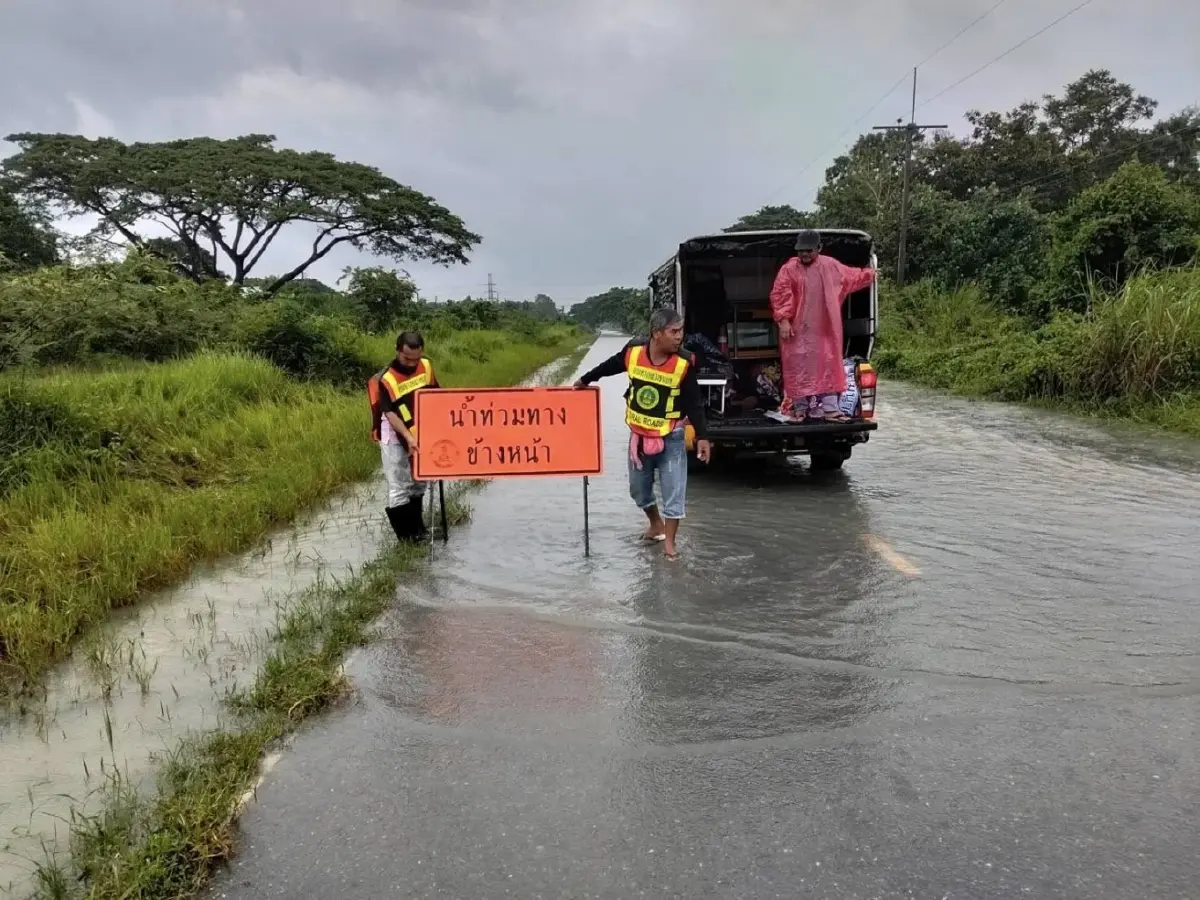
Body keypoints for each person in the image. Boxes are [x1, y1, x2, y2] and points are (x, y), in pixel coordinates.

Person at [574, 308, 711, 561]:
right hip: (639, 436)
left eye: (681, 331)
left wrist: (702, 436)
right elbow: (609, 366)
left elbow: (694, 402)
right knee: (639, 490)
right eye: (673, 331)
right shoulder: (633, 353)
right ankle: (655, 524)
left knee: (674, 492)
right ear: (656, 333)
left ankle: (670, 545)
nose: (679, 336)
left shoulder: (684, 363)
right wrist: (585, 380)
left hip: (671, 437)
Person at [769, 229, 876, 422]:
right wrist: (783, 321)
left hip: (825, 331)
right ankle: (800, 409)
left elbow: (850, 276)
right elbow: (780, 295)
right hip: (796, 331)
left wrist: (869, 274)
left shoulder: (830, 265)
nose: (804, 254)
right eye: (801, 250)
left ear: (819, 248)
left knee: (827, 366)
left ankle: (830, 410)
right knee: (797, 368)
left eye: (809, 250)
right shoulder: (789, 268)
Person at [368, 330, 438, 542]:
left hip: (419, 428)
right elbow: (390, 413)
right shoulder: (387, 379)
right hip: (395, 431)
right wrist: (408, 438)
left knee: (419, 481)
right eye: (407, 358)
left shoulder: (425, 366)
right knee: (400, 485)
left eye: (416, 358)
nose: (411, 363)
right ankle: (407, 539)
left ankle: (419, 531)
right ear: (398, 351)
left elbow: (436, 395)